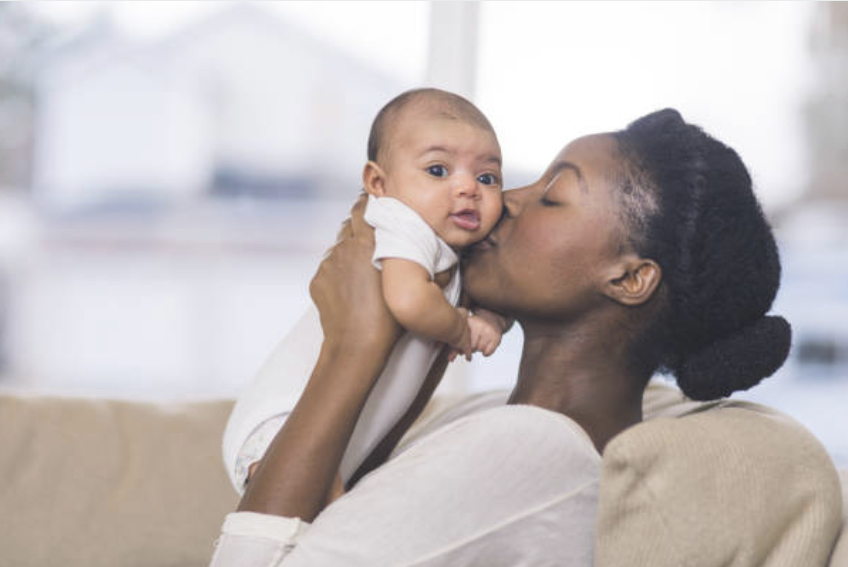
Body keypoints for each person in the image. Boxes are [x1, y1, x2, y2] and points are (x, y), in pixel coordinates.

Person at [209, 108, 791, 566]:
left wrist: (352, 347)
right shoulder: (504, 418)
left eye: (552, 196)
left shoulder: (535, 449)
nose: (503, 201)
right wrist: (420, 338)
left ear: (629, 277)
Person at [222, 88, 509, 497]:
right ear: (378, 182)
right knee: (322, 527)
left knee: (327, 525)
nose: (468, 188)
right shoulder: (399, 221)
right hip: (281, 422)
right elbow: (409, 300)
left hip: (342, 433)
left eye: (487, 177)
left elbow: (495, 298)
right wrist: (463, 331)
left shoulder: (450, 250)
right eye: (438, 170)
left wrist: (493, 320)